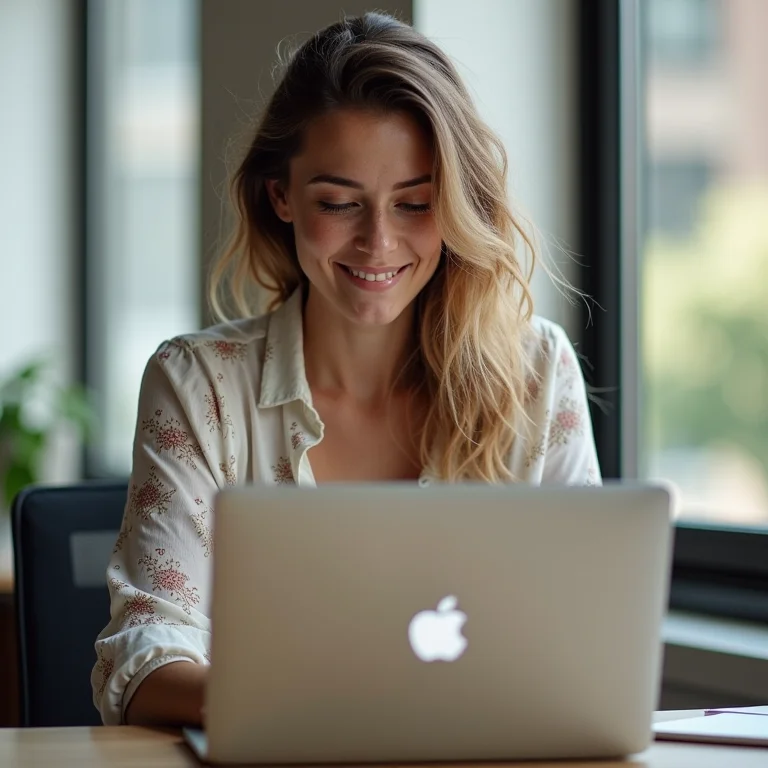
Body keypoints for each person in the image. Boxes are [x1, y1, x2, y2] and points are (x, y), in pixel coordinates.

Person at [92, 11, 601, 727]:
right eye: (338, 203)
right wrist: (323, 708)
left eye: (415, 204)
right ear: (281, 196)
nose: (378, 242)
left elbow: (583, 635)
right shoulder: (200, 385)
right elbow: (145, 654)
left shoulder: (536, 373)